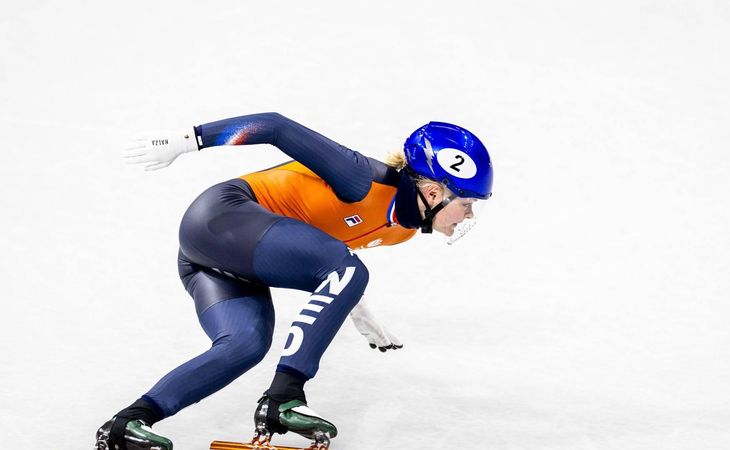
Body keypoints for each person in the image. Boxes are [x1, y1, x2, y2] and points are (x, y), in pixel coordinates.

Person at [93, 112, 493, 450]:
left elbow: (323, 254)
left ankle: (126, 424)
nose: (469, 217)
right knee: (349, 270)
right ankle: (284, 395)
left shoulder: (400, 230)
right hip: (220, 217)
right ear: (432, 189)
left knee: (245, 345)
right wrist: (187, 140)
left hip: (215, 259)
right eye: (467, 203)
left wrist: (357, 307)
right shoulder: (361, 179)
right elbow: (275, 126)